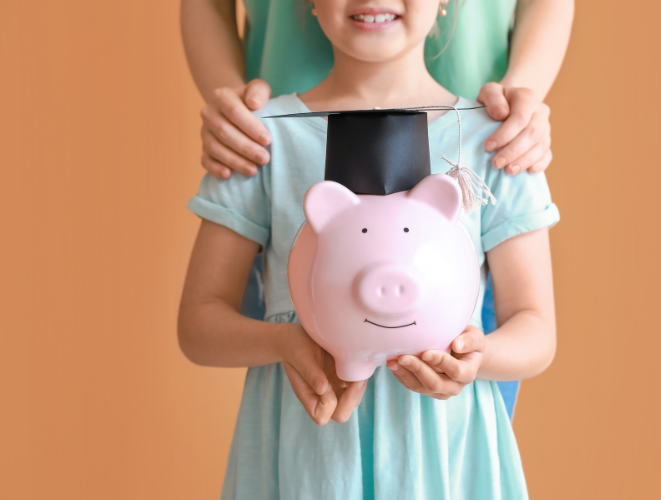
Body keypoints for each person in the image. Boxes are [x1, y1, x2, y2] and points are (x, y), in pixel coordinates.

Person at [178, 1, 560, 497]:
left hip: (446, 464)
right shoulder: (258, 141)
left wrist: (475, 356)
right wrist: (282, 343)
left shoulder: (497, 142)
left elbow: (536, 330)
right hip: (305, 462)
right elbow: (198, 323)